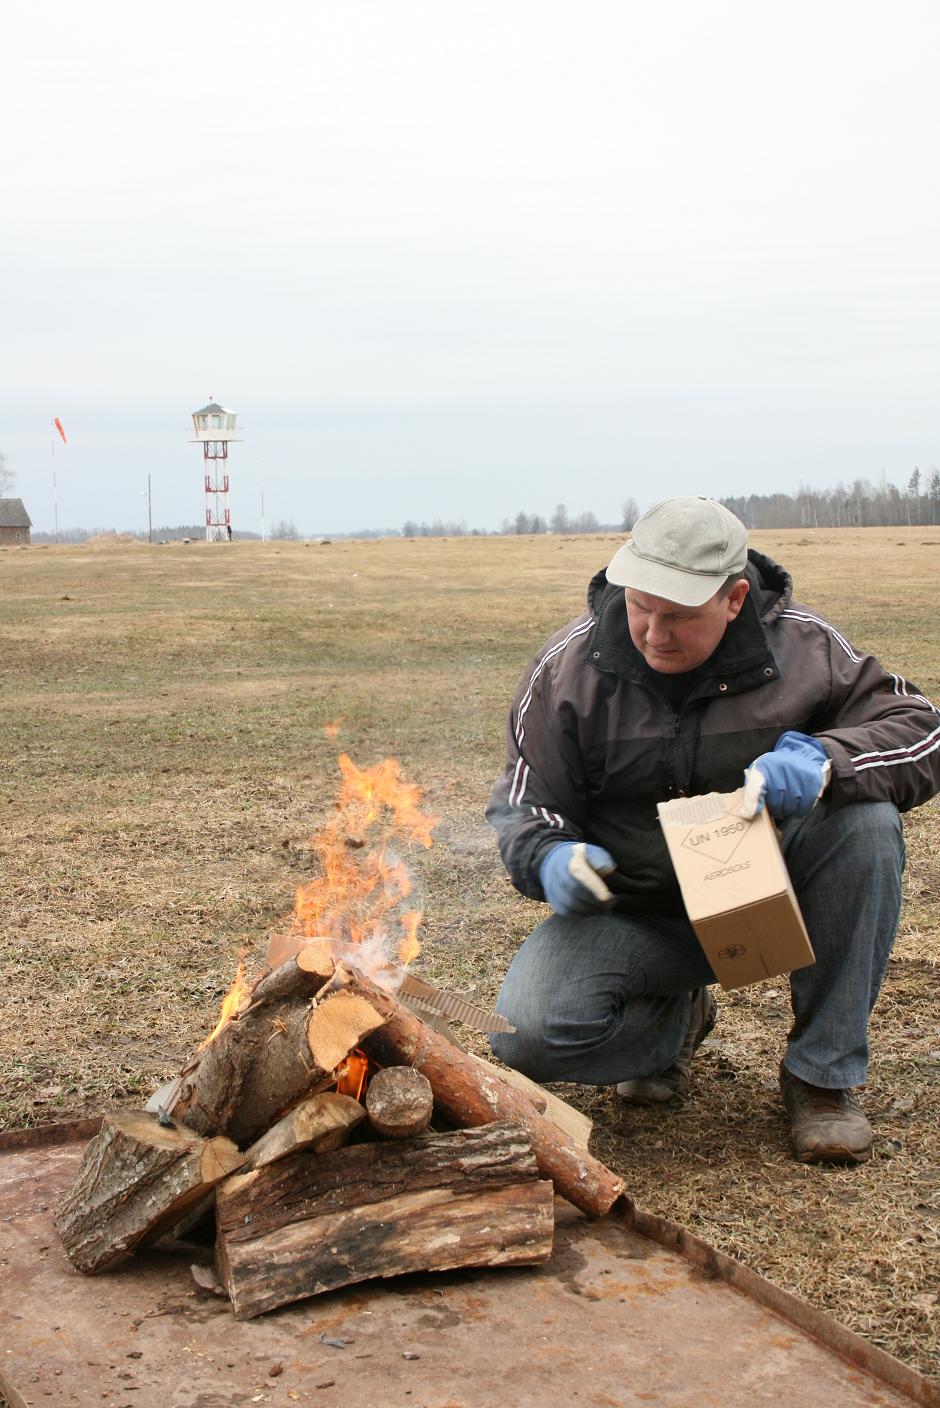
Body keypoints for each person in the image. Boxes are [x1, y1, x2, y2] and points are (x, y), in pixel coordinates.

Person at [486, 496, 939, 1164]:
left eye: (679, 616)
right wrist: (549, 856)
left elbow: (921, 729)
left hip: (768, 898)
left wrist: (823, 762)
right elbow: (525, 804)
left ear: (735, 599)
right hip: (640, 914)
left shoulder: (807, 649)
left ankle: (822, 1077)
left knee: (865, 825)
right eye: (640, 606)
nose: (652, 632)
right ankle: (678, 1021)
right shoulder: (567, 668)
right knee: (525, 1035)